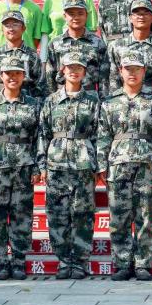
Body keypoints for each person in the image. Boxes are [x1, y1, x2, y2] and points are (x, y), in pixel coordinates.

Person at [97, 52, 152, 281]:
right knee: (119, 216)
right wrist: (101, 163)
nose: (132, 73)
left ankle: (143, 263)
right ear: (120, 71)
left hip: (146, 163)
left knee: (146, 215)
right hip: (118, 163)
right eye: (128, 69)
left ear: (144, 71)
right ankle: (122, 263)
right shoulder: (110, 102)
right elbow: (103, 135)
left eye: (137, 69)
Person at [35, 51, 101, 280]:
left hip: (83, 163)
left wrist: (97, 165)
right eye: (70, 67)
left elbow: (99, 134)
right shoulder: (51, 100)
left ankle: (80, 262)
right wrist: (42, 165)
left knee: (83, 215)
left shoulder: (93, 100)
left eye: (78, 68)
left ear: (84, 72)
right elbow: (43, 134)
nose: (74, 71)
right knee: (57, 215)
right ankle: (64, 262)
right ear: (62, 70)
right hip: (56, 164)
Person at [0, 55, 42, 280]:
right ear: (0, 76)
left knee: (21, 216)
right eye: (8, 73)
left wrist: (37, 167)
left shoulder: (33, 104)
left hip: (24, 167)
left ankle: (19, 261)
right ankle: (1, 262)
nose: (12, 77)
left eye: (17, 73)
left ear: (24, 76)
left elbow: (38, 138)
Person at [107, 0, 152, 105]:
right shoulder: (116, 46)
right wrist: (115, 102)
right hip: (124, 101)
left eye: (146, 13)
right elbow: (113, 79)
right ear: (130, 18)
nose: (141, 17)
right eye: (137, 13)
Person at [43, 0, 109, 95]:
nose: (76, 17)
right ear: (65, 16)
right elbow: (50, 76)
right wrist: (52, 99)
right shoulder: (55, 44)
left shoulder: (98, 43)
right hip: (63, 97)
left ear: (86, 16)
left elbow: (104, 78)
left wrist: (102, 99)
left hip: (89, 97)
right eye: (71, 14)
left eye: (80, 13)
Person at [0, 10, 47, 100]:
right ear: (2, 29)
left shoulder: (33, 56)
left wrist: (37, 103)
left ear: (23, 28)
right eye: (7, 25)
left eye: (15, 24)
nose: (11, 29)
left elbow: (41, 85)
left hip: (26, 103)